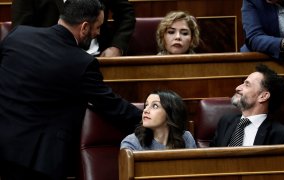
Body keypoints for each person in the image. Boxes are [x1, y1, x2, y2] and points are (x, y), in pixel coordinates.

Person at [0, 0, 141, 179]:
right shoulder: (81, 63)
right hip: (39, 160)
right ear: (84, 27)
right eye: (98, 27)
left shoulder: (17, 36)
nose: (98, 33)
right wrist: (150, 120)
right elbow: (111, 105)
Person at [210, 64, 284, 147]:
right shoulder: (226, 122)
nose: (237, 88)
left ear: (263, 96)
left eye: (247, 84)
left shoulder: (281, 135)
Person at [11, 0, 136, 57]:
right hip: (50, 63)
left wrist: (117, 47)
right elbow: (21, 32)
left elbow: (126, 13)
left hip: (99, 58)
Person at [121, 90, 197, 150]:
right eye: (146, 105)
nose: (145, 110)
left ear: (170, 113)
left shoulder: (186, 138)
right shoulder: (132, 143)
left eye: (155, 106)